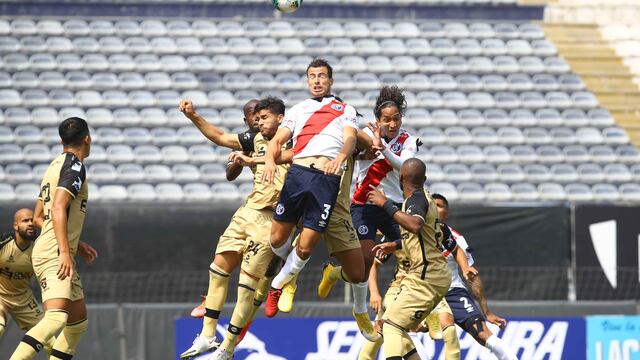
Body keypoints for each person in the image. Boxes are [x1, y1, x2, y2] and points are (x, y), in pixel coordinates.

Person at [261, 58, 377, 341]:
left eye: (322, 76)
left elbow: (352, 139)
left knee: (312, 248)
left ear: (331, 81)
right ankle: (287, 279)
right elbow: (278, 140)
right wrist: (268, 160)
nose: (316, 81)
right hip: (299, 175)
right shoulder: (299, 109)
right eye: (311, 76)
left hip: (328, 183)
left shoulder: (345, 110)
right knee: (277, 238)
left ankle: (280, 283)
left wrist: (340, 156)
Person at [178, 97, 289, 360]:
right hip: (247, 211)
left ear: (280, 119)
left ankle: (227, 346)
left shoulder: (294, 141)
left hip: (273, 218)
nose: (257, 122)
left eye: (262, 117)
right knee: (218, 268)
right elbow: (218, 136)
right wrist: (193, 116)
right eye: (255, 118)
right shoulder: (253, 139)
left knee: (246, 288)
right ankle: (207, 336)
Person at [11, 117, 92, 360]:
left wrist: (74, 246)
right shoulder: (75, 166)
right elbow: (57, 208)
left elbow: (37, 216)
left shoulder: (54, 165)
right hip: (54, 253)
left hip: (56, 247)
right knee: (56, 317)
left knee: (77, 323)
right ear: (87, 139)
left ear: (61, 141)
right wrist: (65, 251)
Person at [366, 158, 452, 360]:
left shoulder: (416, 199)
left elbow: (414, 225)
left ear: (401, 177)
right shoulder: (421, 199)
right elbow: (422, 238)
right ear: (425, 179)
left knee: (391, 326)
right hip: (429, 274)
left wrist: (384, 203)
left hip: (427, 276)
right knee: (391, 324)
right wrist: (394, 245)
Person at [428, 194, 518, 360]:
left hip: (452, 293)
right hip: (422, 293)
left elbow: (471, 274)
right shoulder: (412, 231)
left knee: (483, 334)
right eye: (431, 205)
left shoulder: (457, 240)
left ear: (446, 213)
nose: (434, 208)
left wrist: (487, 312)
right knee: (402, 333)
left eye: (439, 205)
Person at [1, 208, 97, 355]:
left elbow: (61, 238)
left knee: (50, 343)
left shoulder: (41, 247)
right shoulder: (4, 244)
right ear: (15, 226)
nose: (30, 223)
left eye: (32, 220)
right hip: (1, 297)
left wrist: (79, 245)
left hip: (24, 300)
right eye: (25, 221)